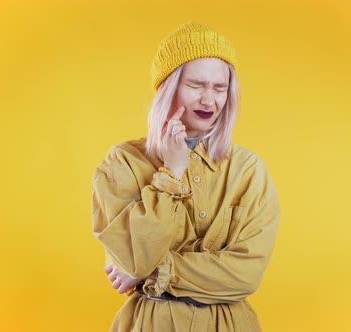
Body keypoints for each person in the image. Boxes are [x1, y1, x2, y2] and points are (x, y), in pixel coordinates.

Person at [91, 22, 281, 331]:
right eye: (196, 85)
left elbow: (246, 274)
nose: (210, 101)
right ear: (169, 86)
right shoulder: (123, 163)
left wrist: (153, 271)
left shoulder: (248, 169)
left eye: (220, 88)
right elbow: (132, 258)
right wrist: (172, 172)